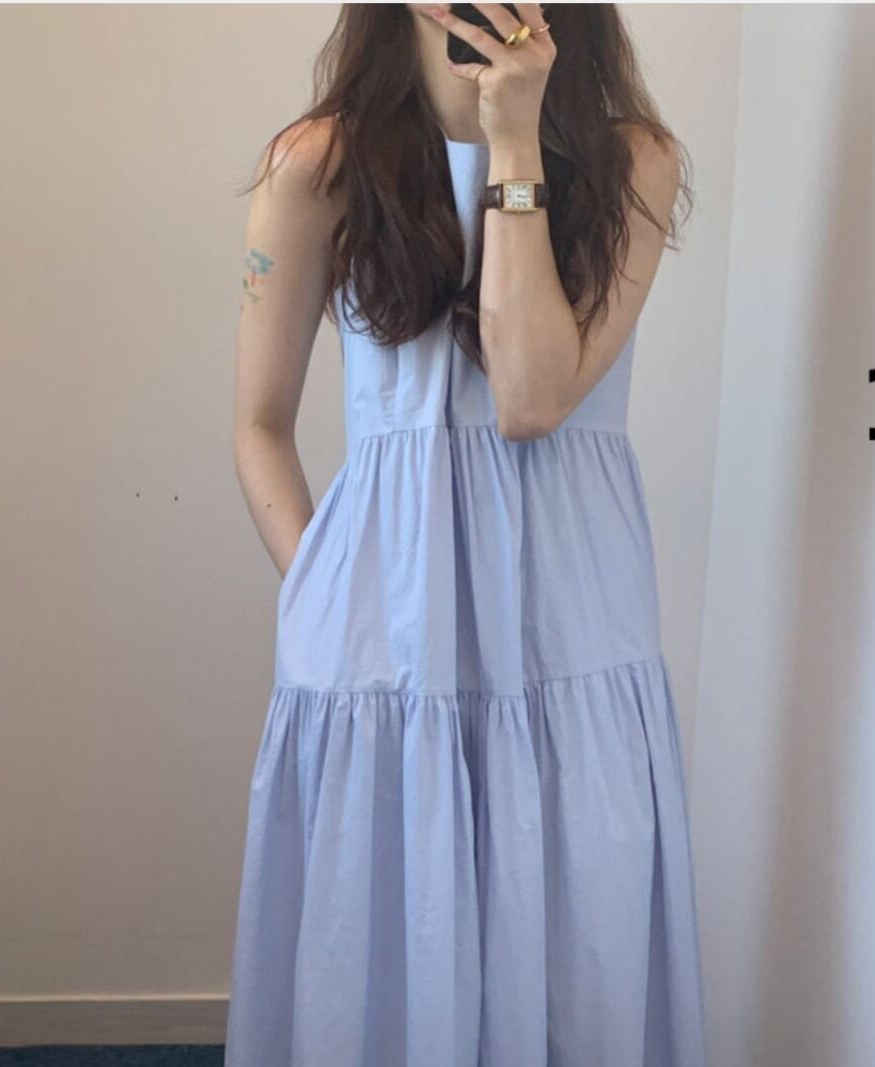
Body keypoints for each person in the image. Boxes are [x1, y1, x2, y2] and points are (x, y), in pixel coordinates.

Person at [225, 4, 707, 1065]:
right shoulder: (316, 166)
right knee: (388, 942)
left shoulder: (633, 161)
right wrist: (325, 590)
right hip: (382, 626)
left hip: (572, 619)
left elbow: (532, 398)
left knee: (576, 936)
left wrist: (515, 139)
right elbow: (259, 424)